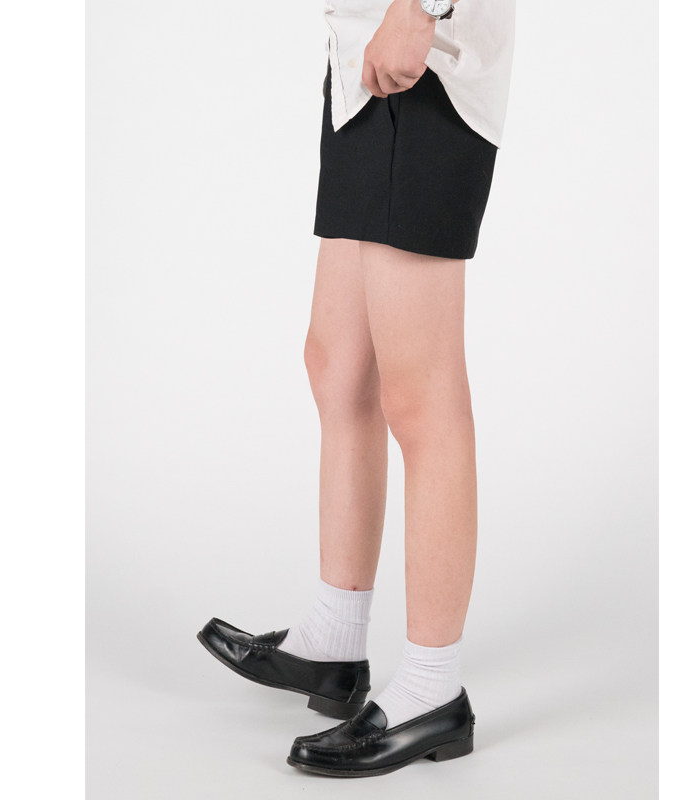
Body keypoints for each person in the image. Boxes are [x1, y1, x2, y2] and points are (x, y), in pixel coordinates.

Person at [198, 0, 516, 777]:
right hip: (358, 61)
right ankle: (334, 642)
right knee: (338, 365)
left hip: (425, 66)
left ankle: (433, 690)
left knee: (422, 396)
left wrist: (420, 9)